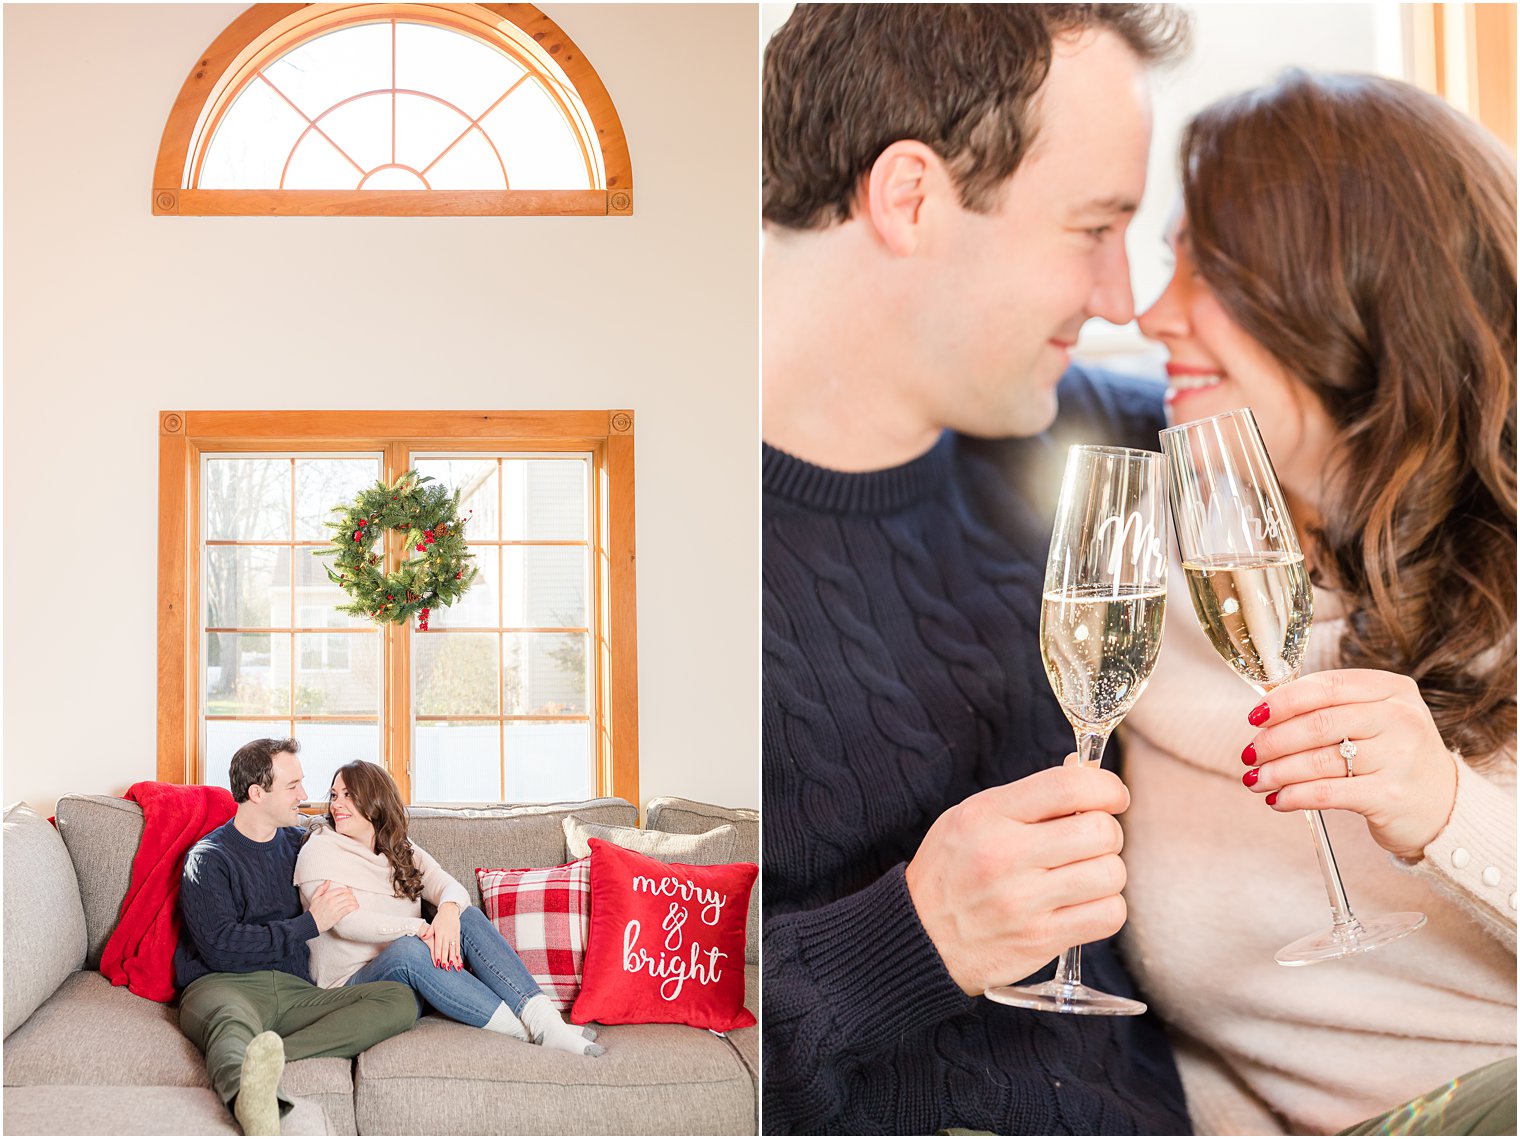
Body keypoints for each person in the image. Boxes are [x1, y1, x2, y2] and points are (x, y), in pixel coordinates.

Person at [761, 4, 1195, 1133]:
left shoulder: (1098, 434)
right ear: (909, 197)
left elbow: (1408, 417)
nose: (1121, 298)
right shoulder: (668, 547)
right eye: (1091, 227)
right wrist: (907, 937)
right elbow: (617, 1037)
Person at [1123, 69, 1516, 1135]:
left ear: (1354, 286)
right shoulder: (1144, 574)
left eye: (1202, 266)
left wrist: (1445, 810)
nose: (1147, 312)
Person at [175, 739, 418, 1137]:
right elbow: (221, 948)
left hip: (296, 992)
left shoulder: (302, 844)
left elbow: (380, 846)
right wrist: (310, 924)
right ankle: (252, 1104)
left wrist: (446, 907)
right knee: (231, 1029)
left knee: (399, 1000)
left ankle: (273, 1057)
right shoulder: (209, 858)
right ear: (257, 793)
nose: (306, 796)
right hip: (225, 986)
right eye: (293, 786)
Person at [294, 760, 603, 1058]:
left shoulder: (399, 848)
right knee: (407, 950)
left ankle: (545, 1021)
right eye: (334, 795)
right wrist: (418, 928)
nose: (336, 804)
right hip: (353, 988)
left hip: (415, 983)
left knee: (465, 915)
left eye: (349, 795)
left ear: (374, 801)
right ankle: (531, 1033)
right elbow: (345, 923)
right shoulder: (320, 849)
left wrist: (448, 913)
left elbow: (450, 887)